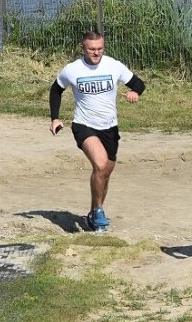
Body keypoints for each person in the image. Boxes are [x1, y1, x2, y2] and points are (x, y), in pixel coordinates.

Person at [49, 31, 146, 232]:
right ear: (83, 48)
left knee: (105, 173)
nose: (96, 53)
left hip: (109, 127)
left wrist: (135, 92)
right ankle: (99, 211)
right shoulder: (72, 69)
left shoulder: (114, 65)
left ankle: (93, 213)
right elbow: (56, 89)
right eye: (92, 49)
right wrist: (55, 118)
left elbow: (138, 83)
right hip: (84, 125)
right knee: (101, 165)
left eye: (100, 49)